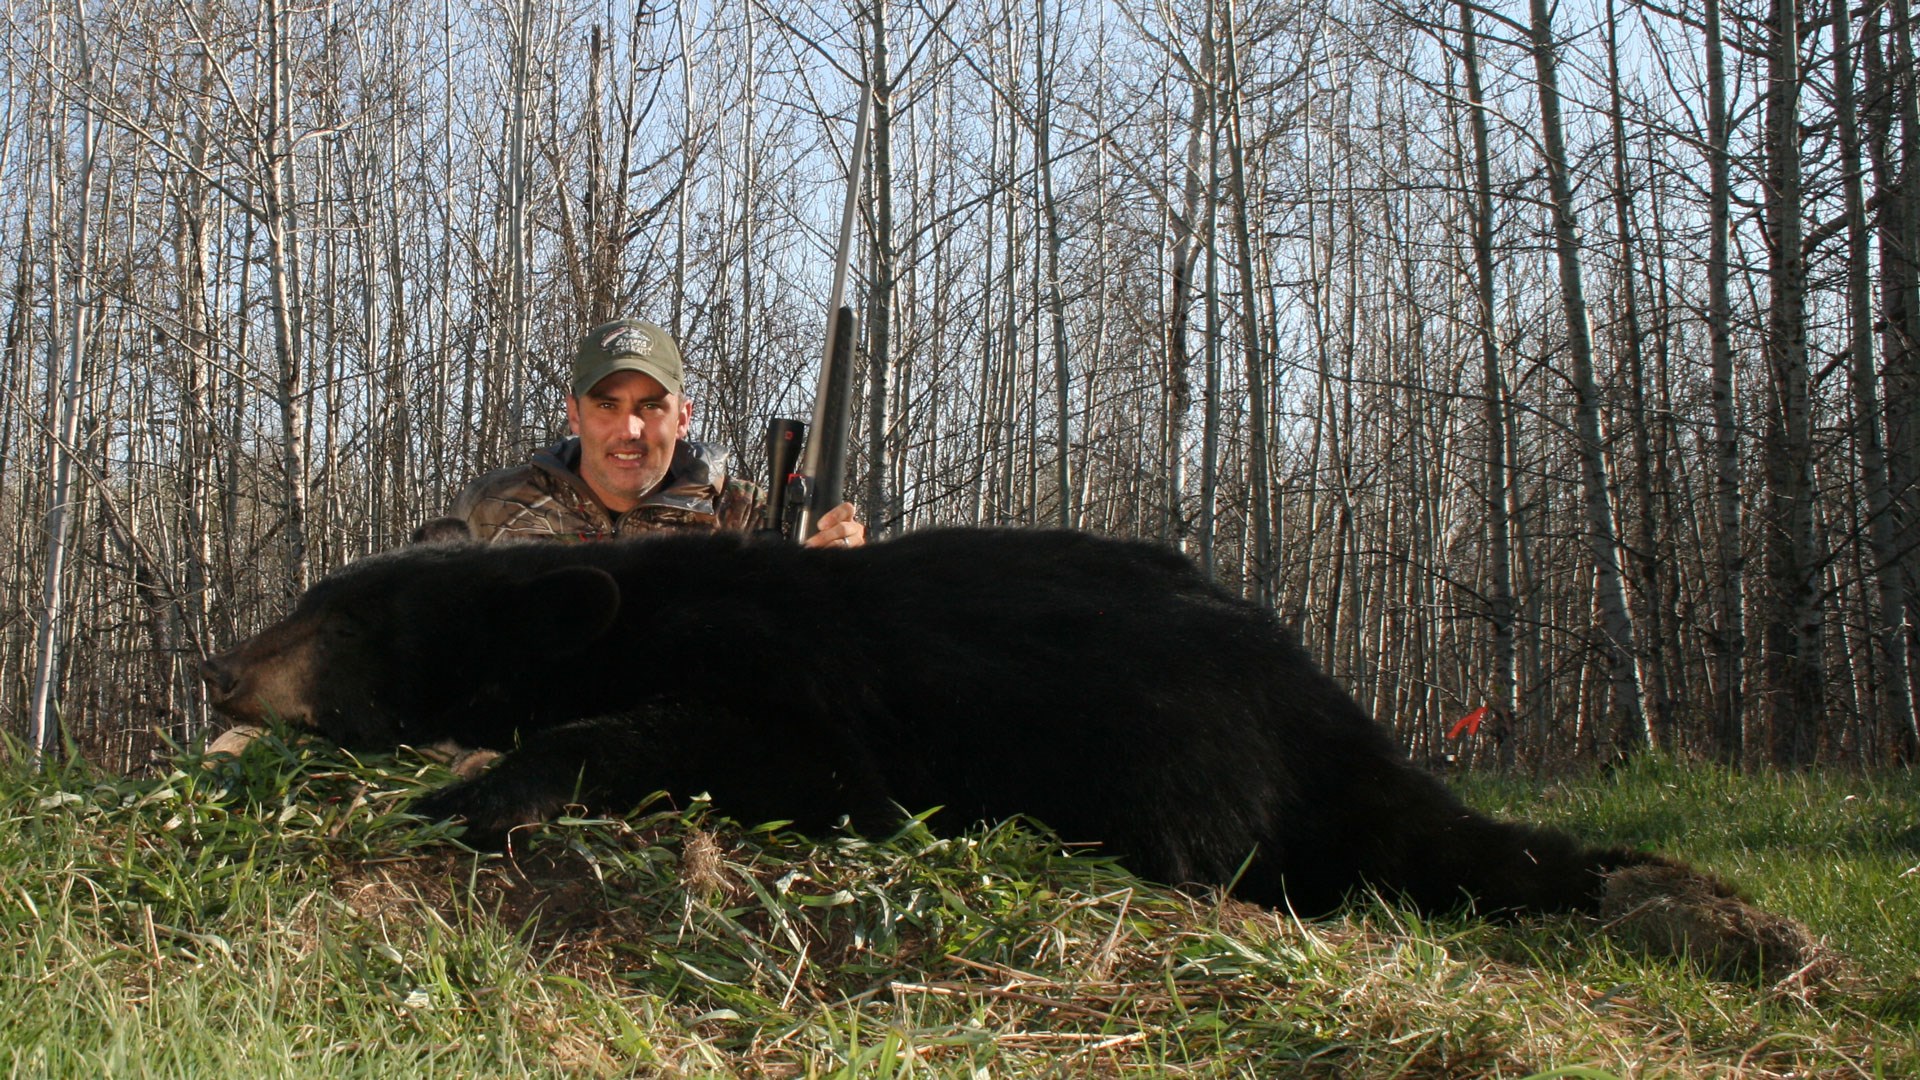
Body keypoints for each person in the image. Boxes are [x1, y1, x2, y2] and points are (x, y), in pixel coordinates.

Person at [450, 318, 866, 548]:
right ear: (574, 413)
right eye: (607, 405)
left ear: (683, 417)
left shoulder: (748, 516)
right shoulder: (492, 509)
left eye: (650, 406)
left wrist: (846, 570)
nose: (630, 430)